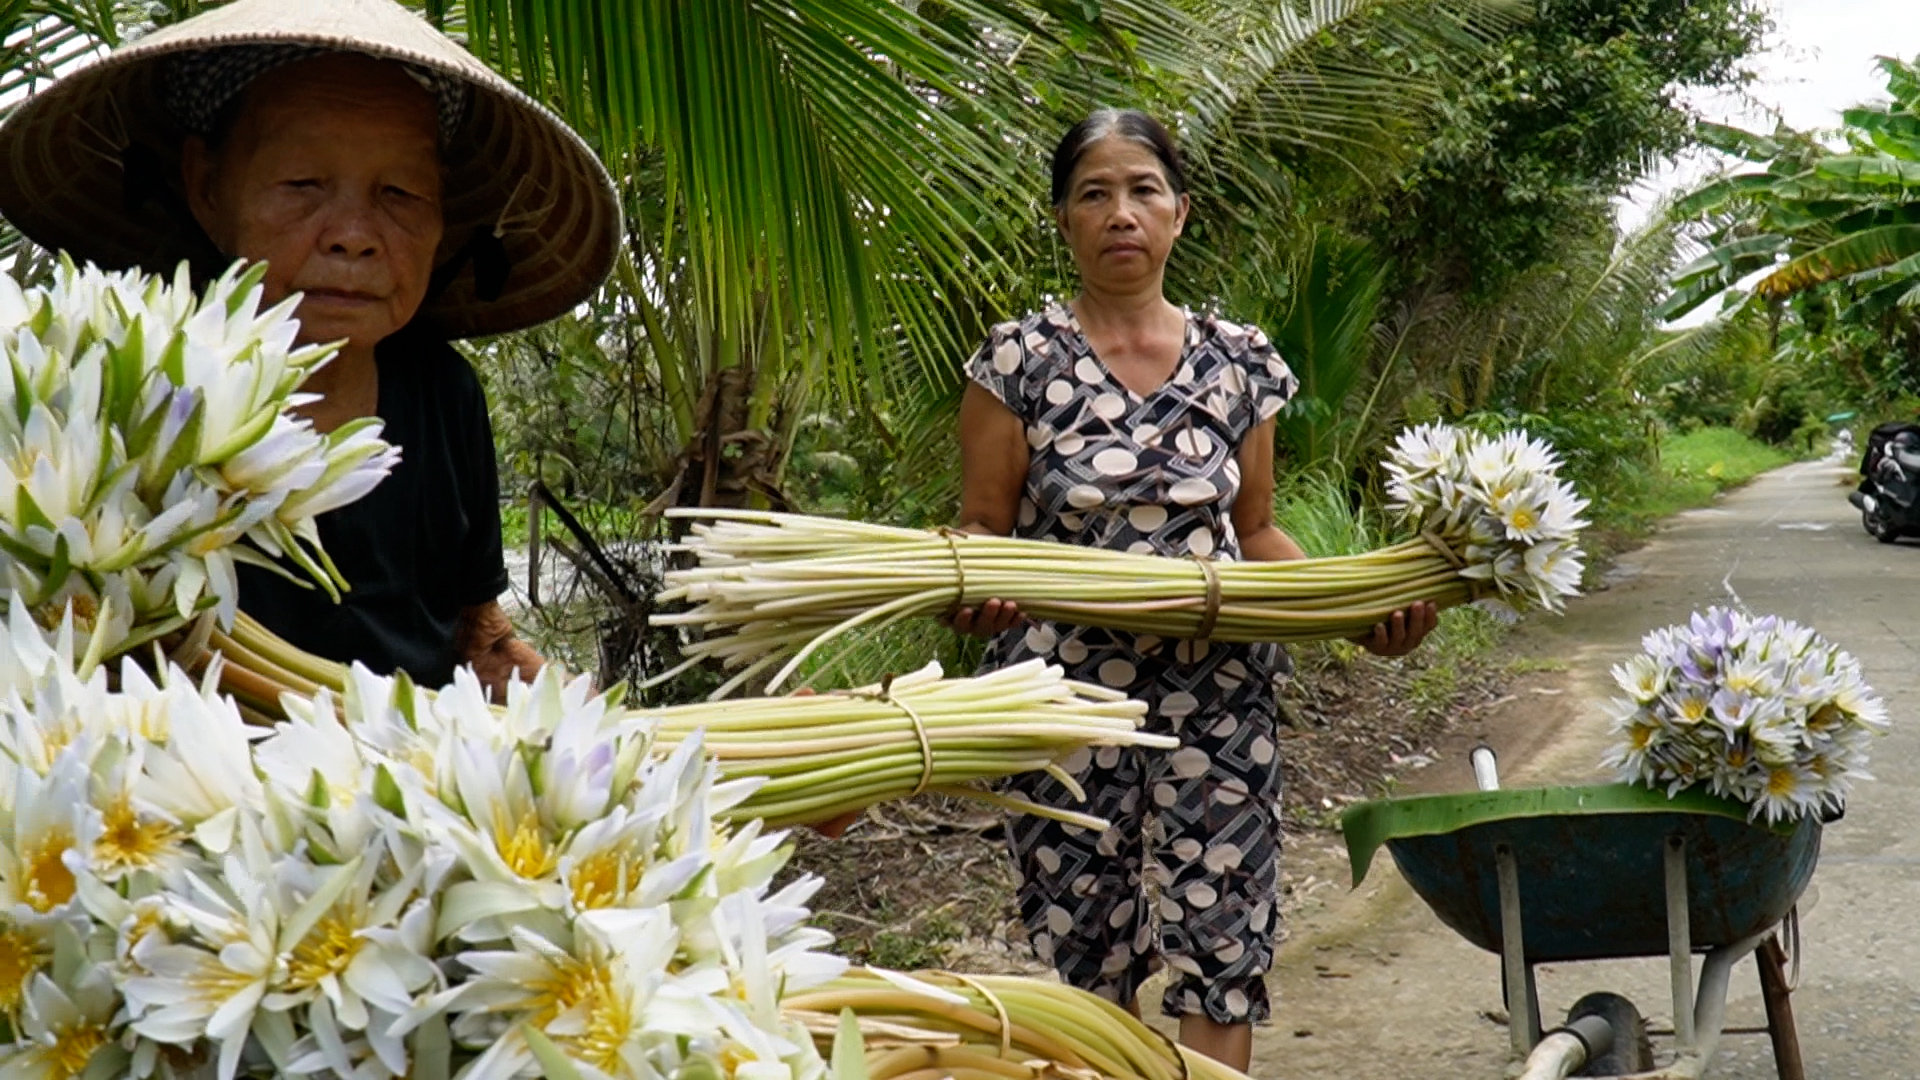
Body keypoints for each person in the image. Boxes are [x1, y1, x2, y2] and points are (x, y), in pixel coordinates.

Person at [952, 109, 1437, 1070]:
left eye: (1142, 191)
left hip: (1218, 699)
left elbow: (1253, 529)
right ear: (1063, 220)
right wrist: (970, 590)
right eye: (1095, 194)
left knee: (1223, 941)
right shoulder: (1016, 361)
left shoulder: (1239, 361)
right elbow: (981, 528)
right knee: (1084, 945)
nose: (1120, 213)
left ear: (1180, 212)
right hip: (1063, 699)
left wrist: (1356, 611)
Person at [0, 0, 622, 698]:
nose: (352, 234)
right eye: (303, 185)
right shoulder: (128, 391)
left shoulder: (445, 397)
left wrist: (571, 714)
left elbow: (477, 634)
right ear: (206, 187)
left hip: (406, 779)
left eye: (401, 192)